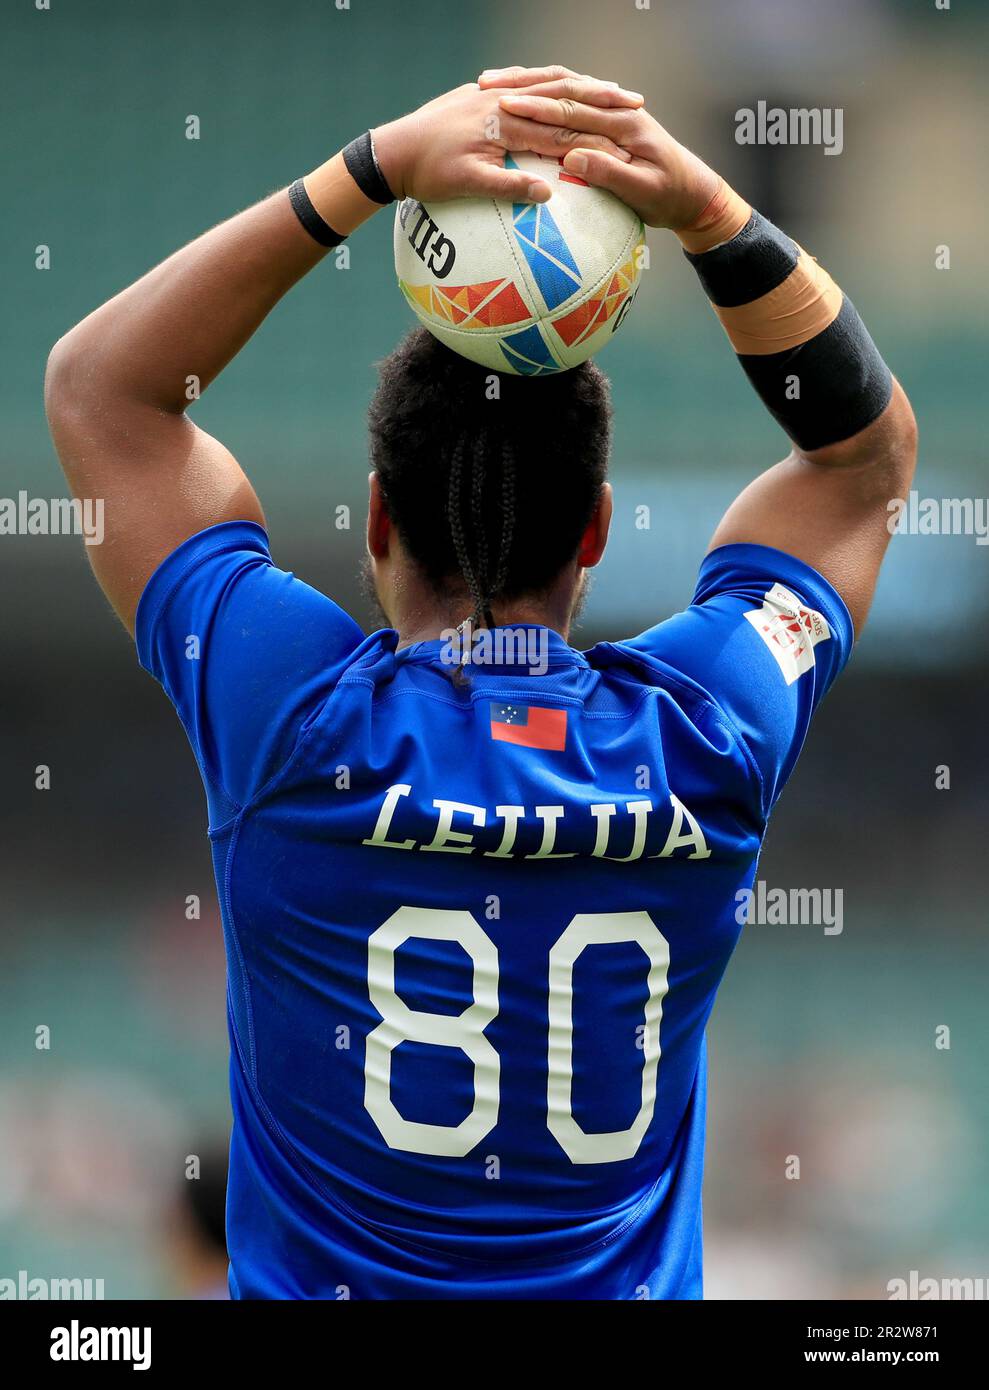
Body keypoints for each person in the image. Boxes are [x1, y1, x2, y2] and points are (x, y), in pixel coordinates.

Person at [45, 65, 917, 1299]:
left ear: (377, 521)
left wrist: (365, 174)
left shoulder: (289, 713)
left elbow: (103, 392)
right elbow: (860, 460)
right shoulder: (706, 723)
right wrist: (712, 216)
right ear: (598, 531)